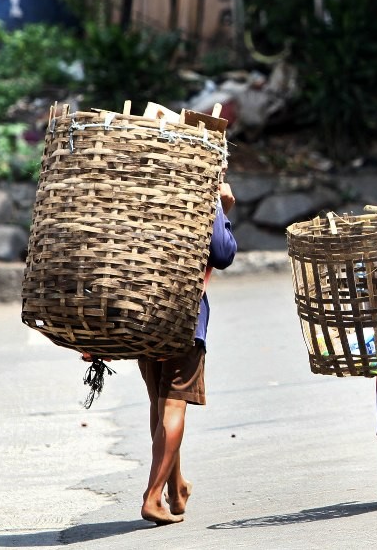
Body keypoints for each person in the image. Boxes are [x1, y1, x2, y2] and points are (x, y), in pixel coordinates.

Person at [137, 178, 237, 523]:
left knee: (160, 402)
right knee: (174, 404)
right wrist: (222, 209)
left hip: (138, 313)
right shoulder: (194, 190)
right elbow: (222, 254)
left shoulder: (135, 191)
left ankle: (176, 487)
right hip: (182, 315)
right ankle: (153, 496)